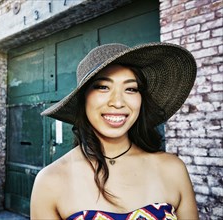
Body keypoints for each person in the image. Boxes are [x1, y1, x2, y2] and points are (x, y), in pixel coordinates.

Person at [30, 43, 199, 219]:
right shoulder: (50, 181)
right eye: (103, 87)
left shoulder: (172, 169)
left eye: (131, 89)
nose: (118, 102)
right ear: (83, 99)